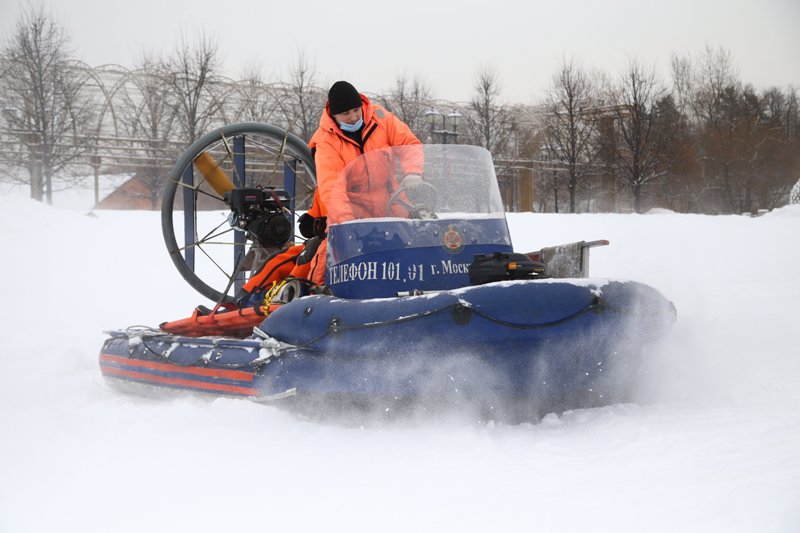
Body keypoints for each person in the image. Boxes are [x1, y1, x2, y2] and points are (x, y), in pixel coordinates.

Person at [306, 80, 423, 285]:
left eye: (355, 110)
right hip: (353, 207)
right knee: (331, 253)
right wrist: (346, 225)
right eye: (345, 114)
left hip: (391, 201)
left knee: (420, 240)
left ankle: (420, 285)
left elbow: (409, 144)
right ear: (334, 116)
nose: (353, 117)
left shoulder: (381, 119)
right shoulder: (326, 141)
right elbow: (332, 187)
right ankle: (318, 292)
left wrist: (412, 172)